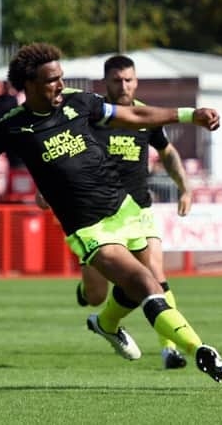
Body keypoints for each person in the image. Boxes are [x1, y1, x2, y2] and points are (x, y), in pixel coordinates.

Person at [0, 43, 222, 383]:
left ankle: (110, 326)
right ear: (30, 85)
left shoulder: (79, 102)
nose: (61, 85)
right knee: (139, 283)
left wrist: (187, 115)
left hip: (126, 208)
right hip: (89, 228)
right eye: (52, 80)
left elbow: (135, 116)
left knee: (149, 281)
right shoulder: (13, 127)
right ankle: (199, 349)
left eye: (62, 77)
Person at [74, 54, 193, 369]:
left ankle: (171, 349)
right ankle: (88, 296)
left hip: (138, 209)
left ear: (136, 81)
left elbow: (167, 152)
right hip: (99, 216)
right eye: (117, 80)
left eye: (129, 79)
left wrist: (184, 187)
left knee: (156, 273)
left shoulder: (144, 116)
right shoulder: (92, 116)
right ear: (105, 83)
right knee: (97, 295)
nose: (123, 85)